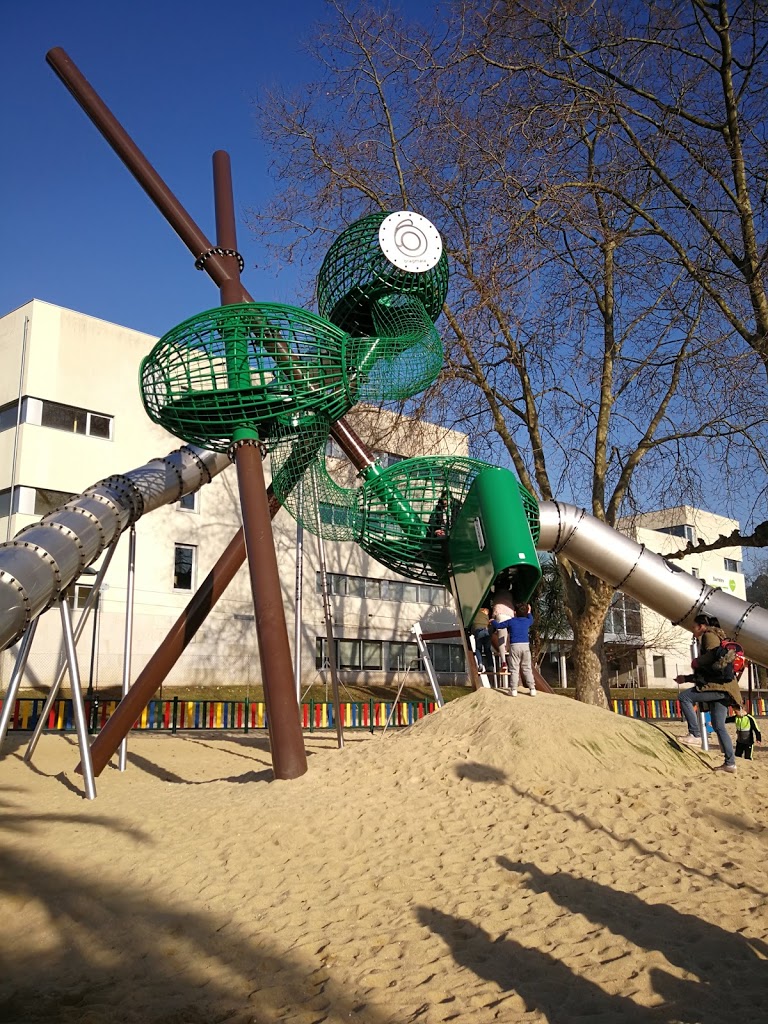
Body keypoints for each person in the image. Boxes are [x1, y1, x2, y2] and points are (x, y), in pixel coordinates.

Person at [674, 614, 743, 773]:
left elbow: (713, 658)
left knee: (684, 697)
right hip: (726, 689)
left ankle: (695, 734)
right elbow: (710, 672)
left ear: (701, 626)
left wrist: (697, 662)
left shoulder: (708, 636)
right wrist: (686, 678)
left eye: (694, 626)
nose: (693, 629)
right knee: (719, 726)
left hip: (718, 688)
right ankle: (730, 764)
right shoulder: (719, 636)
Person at [507, 602, 537, 696]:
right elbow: (531, 619)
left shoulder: (511, 621)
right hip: (525, 646)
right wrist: (529, 612)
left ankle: (514, 690)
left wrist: (493, 621)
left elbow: (499, 626)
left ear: (515, 612)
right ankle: (532, 689)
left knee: (514, 669)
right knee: (527, 668)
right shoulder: (527, 621)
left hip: (514, 646)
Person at [490, 588, 515, 686]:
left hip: (500, 616)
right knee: (510, 640)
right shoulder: (510, 595)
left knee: (501, 641)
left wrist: (492, 620)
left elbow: (494, 613)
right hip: (510, 615)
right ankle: (511, 658)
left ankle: (504, 662)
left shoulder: (496, 597)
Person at [469, 605, 494, 676]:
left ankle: (480, 664)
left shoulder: (474, 614)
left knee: (478, 649)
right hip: (486, 630)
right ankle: (490, 666)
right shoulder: (485, 615)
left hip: (478, 631)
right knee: (487, 650)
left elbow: (471, 624)